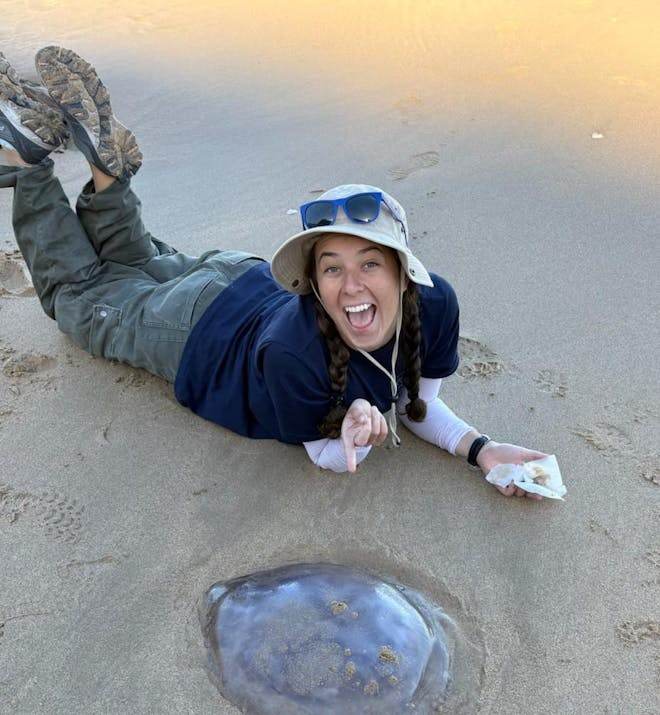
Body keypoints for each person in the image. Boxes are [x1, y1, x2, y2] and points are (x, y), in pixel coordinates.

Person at [0, 46, 546, 497]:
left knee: (133, 266)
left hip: (240, 277)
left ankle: (106, 177)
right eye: (332, 268)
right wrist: (352, 433)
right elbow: (327, 454)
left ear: (406, 272)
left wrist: (481, 449)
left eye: (370, 263)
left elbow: (415, 405)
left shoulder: (437, 305)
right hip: (195, 332)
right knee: (79, 295)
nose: (351, 285)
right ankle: (29, 169)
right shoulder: (294, 353)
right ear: (311, 279)